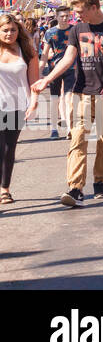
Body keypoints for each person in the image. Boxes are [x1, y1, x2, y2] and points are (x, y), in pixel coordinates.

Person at [31, 0, 103, 207]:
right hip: (82, 91)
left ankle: (99, 182)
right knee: (78, 138)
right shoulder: (77, 29)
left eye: (80, 11)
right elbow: (68, 59)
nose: (76, 16)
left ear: (94, 7)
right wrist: (47, 79)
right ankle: (75, 188)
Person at [1, 12, 39, 207]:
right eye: (5, 30)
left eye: (13, 30)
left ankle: (5, 188)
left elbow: (34, 81)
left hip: (17, 107)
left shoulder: (26, 50)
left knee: (9, 149)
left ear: (19, 31)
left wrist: (34, 102)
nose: (9, 34)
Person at [41, 6, 74, 139]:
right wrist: (40, 70)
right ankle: (54, 128)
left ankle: (69, 128)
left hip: (72, 68)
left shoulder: (74, 30)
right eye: (62, 16)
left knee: (69, 98)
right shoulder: (50, 32)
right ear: (57, 17)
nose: (65, 18)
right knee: (55, 99)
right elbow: (44, 53)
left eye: (67, 15)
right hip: (54, 69)